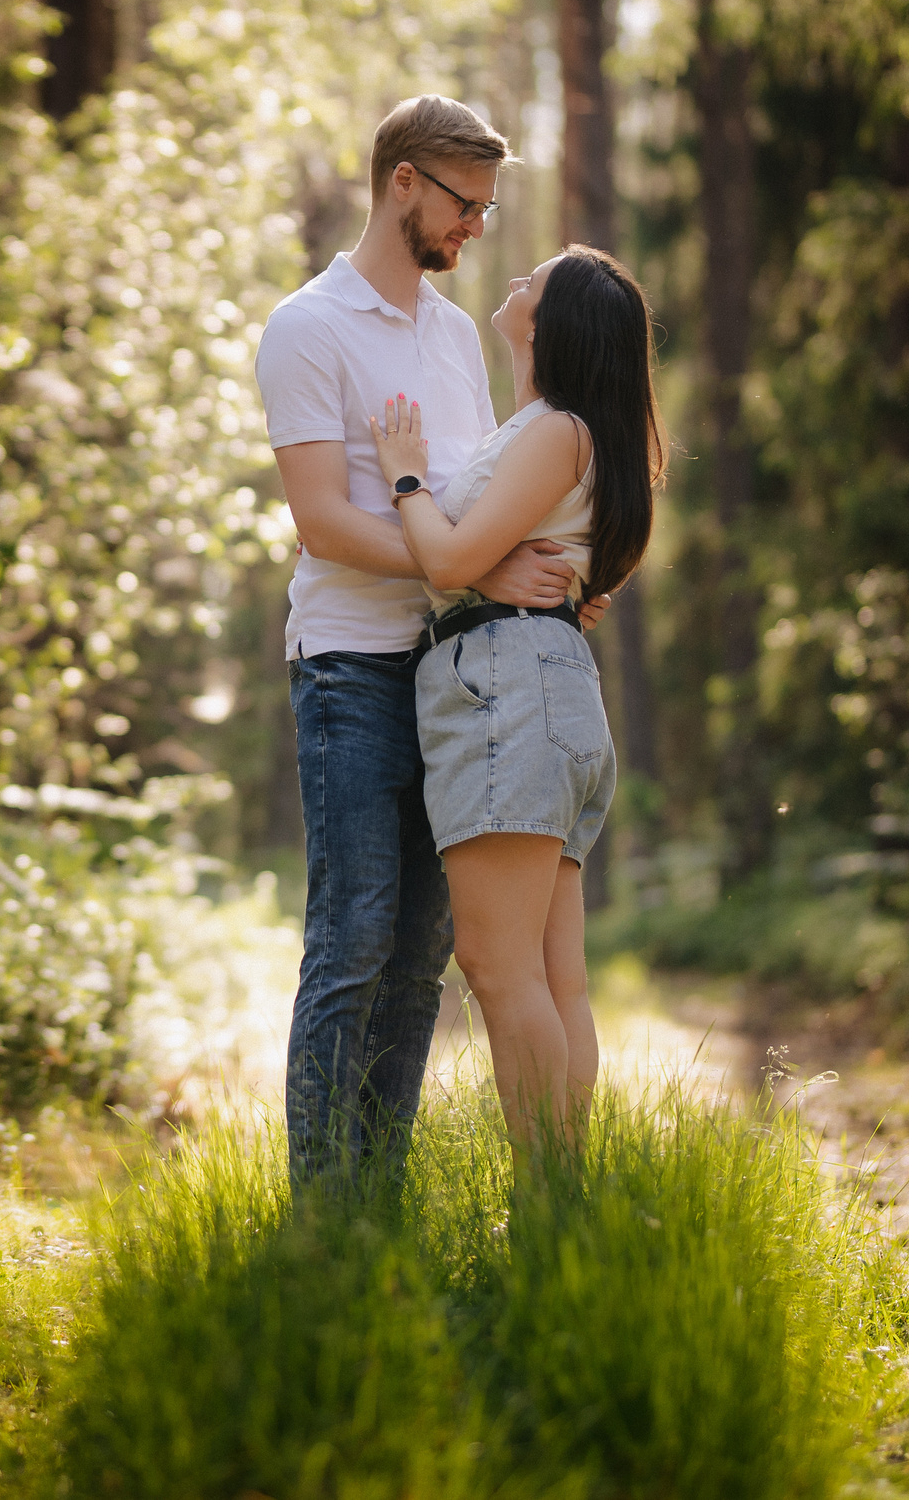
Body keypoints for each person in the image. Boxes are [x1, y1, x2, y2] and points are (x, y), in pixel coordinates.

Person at [256, 95, 603, 1184]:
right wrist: (467, 564)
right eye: (464, 204)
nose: (475, 230)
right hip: (352, 670)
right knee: (354, 941)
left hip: (462, 679)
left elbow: (487, 493)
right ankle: (323, 1226)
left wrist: (541, 575)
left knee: (418, 960)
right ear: (402, 181)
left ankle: (378, 1202)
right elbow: (320, 519)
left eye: (488, 210)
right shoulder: (305, 326)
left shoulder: (457, 336)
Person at [368, 245, 663, 1156]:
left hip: (508, 690)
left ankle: (546, 1204)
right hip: (549, 687)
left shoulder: (556, 432)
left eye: (532, 280)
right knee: (552, 975)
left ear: (555, 320)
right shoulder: (574, 436)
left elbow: (452, 562)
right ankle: (564, 1207)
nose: (513, 283)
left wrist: (407, 475)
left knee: (500, 970)